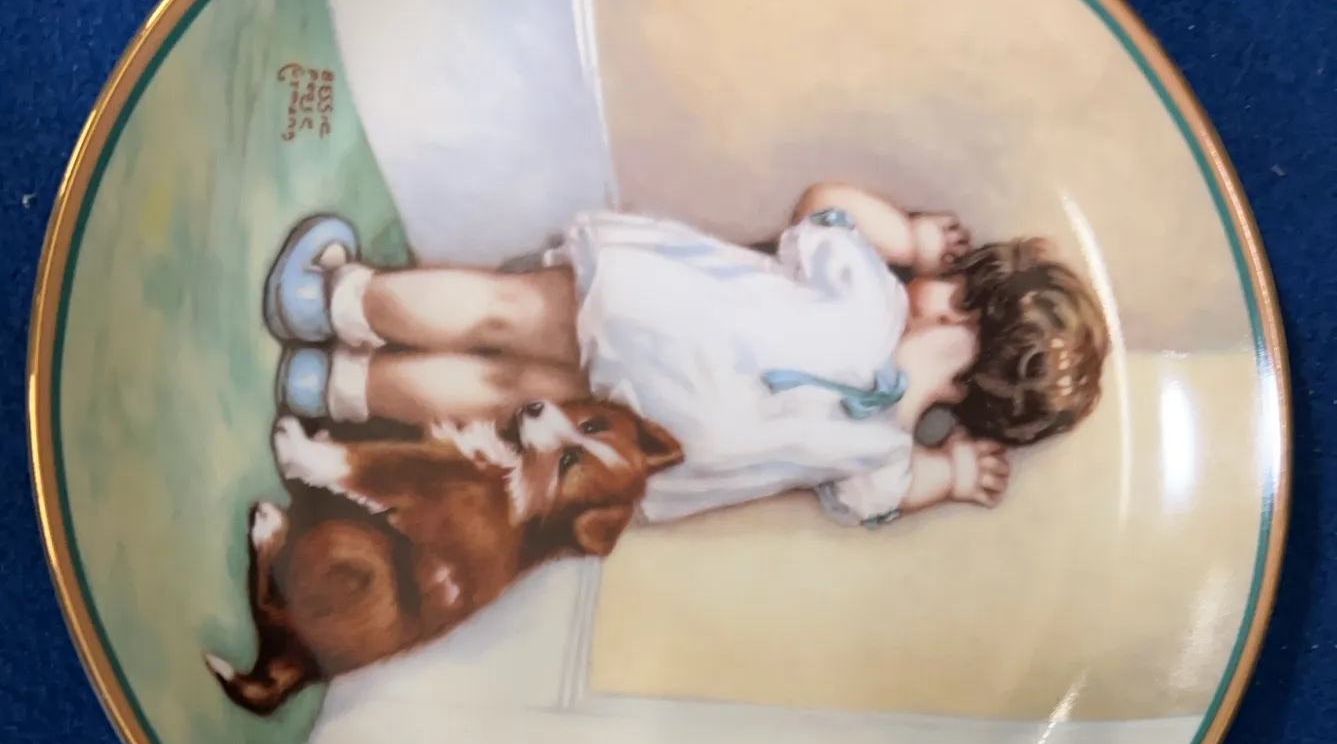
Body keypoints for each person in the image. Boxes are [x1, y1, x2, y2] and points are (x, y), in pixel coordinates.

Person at [264, 184, 1108, 530]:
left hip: (653, 317)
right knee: (502, 394)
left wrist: (912, 239)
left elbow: (824, 209)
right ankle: (335, 386)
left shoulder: (871, 296)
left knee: (501, 308)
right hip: (669, 435)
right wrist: (951, 472)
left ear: (958, 296)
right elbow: (879, 500)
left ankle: (334, 302)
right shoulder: (882, 448)